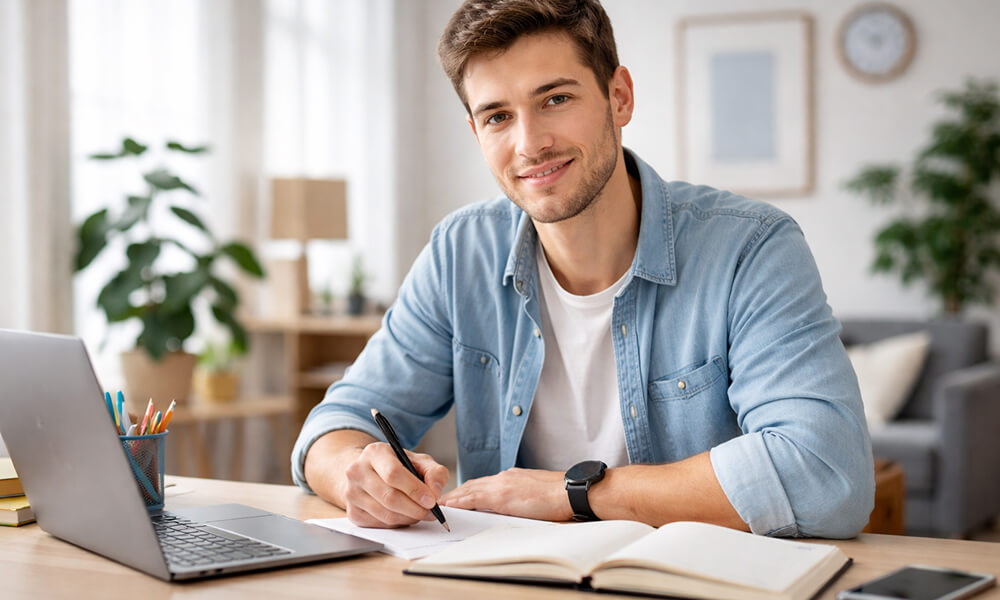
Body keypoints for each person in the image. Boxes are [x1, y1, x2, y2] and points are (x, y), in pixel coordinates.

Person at [292, 0, 874, 538]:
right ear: (475, 131)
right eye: (497, 116)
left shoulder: (751, 247)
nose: (530, 143)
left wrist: (575, 493)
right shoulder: (459, 252)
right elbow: (336, 424)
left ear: (619, 97)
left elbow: (827, 475)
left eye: (555, 99)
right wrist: (357, 472)